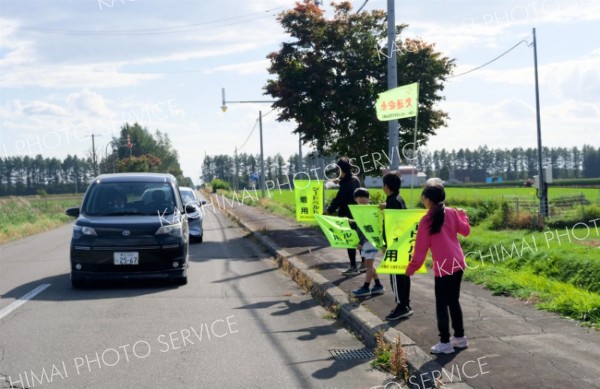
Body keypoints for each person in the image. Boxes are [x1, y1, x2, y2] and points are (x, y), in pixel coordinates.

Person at [405, 181, 471, 355]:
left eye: (423, 197)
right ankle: (460, 338)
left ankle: (445, 342)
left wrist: (411, 268)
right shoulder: (451, 213)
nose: (422, 200)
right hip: (458, 262)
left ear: (428, 200)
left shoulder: (427, 219)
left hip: (443, 266)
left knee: (442, 304)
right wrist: (463, 216)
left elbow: (420, 248)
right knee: (453, 301)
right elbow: (466, 231)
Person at [379, 172, 412, 320]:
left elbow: (390, 226)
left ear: (386, 186)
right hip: (403, 243)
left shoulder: (392, 202)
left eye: (383, 184)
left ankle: (401, 306)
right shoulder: (397, 199)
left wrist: (386, 244)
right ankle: (405, 304)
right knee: (403, 275)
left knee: (396, 276)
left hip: (395, 244)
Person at [324, 157, 361, 275]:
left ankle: (353, 267)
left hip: (348, 216)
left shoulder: (347, 184)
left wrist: (328, 211)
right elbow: (346, 184)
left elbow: (338, 199)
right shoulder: (354, 179)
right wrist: (338, 181)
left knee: (350, 242)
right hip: (358, 214)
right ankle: (364, 264)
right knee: (359, 241)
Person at [351, 188, 385, 297]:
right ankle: (378, 285)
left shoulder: (372, 210)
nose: (362, 199)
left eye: (364, 197)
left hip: (370, 241)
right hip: (368, 241)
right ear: (356, 199)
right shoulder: (362, 210)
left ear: (368, 198)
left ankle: (366, 287)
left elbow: (367, 227)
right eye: (359, 197)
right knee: (368, 264)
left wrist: (360, 241)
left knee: (368, 265)